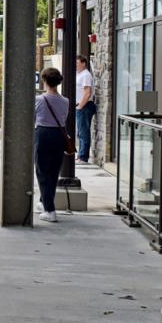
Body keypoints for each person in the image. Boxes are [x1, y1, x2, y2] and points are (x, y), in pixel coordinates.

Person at [35, 67, 69, 222]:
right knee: (53, 172)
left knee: (42, 171)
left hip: (42, 134)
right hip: (59, 136)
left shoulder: (39, 100)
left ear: (44, 80)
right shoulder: (65, 101)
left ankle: (50, 210)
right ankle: (44, 202)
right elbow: (63, 118)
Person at [74, 55, 97, 164]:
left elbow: (87, 93)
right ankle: (80, 155)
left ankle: (83, 157)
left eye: (77, 63)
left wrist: (80, 106)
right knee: (80, 132)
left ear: (83, 63)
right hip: (81, 106)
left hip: (85, 106)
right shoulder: (79, 74)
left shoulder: (86, 75)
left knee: (83, 132)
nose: (75, 65)